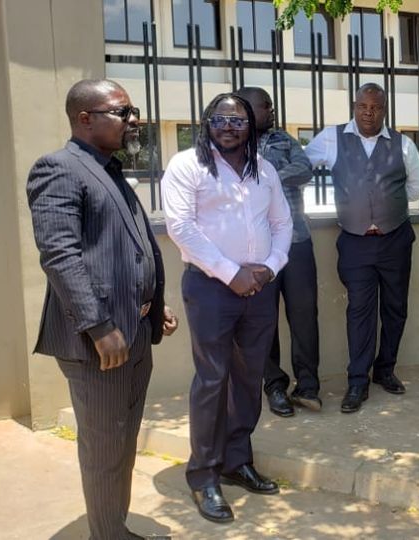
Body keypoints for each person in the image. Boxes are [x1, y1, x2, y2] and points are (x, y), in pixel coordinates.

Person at [26, 79, 178, 540]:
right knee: (105, 447)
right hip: (101, 343)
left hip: (134, 331)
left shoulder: (108, 170)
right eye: (122, 112)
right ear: (84, 118)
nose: (134, 121)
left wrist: (152, 304)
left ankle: (112, 527)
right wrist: (98, 325)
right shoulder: (59, 168)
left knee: (122, 441)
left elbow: (126, 249)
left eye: (133, 111)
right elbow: (60, 255)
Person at [162, 93, 293, 524]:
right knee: (213, 379)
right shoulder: (187, 165)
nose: (229, 127)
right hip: (211, 289)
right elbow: (181, 227)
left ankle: (237, 461)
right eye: (220, 119)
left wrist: (271, 267)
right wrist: (229, 272)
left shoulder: (264, 169)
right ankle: (203, 475)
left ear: (250, 126)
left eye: (238, 120)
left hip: (258, 289)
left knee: (248, 378)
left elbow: (282, 223)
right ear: (207, 123)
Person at [304, 83, 419, 414]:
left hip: (395, 239)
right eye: (363, 106)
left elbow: (418, 186)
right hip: (355, 242)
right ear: (354, 106)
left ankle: (385, 370)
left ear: (384, 110)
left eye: (375, 107)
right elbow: (303, 166)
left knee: (395, 307)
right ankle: (357, 381)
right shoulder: (331, 138)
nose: (369, 113)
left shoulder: (403, 144)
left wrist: (387, 204)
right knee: (360, 311)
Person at [237, 86, 321, 416]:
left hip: (296, 243)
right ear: (246, 109)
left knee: (304, 315)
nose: (271, 110)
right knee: (263, 321)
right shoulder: (232, 146)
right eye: (265, 106)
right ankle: (274, 386)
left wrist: (266, 180)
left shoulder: (283, 140)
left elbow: (303, 169)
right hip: (257, 251)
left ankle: (308, 385)